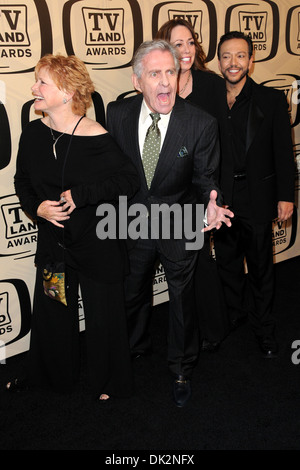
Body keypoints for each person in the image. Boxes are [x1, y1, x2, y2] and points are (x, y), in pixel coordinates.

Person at [106, 40, 233, 407]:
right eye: (155, 74)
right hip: (132, 222)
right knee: (131, 294)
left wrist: (213, 203)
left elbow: (207, 179)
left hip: (180, 221)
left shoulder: (200, 123)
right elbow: (112, 171)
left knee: (181, 301)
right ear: (137, 81)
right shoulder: (117, 115)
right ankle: (132, 348)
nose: (165, 83)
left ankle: (181, 367)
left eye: (171, 73)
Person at [7, 54, 140, 400]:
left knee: (103, 319)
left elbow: (128, 180)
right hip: (55, 248)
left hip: (97, 247)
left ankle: (108, 383)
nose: (33, 88)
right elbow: (23, 182)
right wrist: (37, 207)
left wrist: (82, 195)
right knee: (54, 313)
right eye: (36, 80)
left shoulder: (96, 136)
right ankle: (52, 377)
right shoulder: (34, 134)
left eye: (41, 82)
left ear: (66, 92)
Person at [213, 31, 295, 357]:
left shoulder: (271, 101)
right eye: (226, 56)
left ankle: (265, 328)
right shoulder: (210, 101)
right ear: (218, 61)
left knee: (261, 268)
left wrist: (286, 196)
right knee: (228, 265)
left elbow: (284, 154)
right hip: (222, 198)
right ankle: (234, 316)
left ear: (251, 59)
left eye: (240, 55)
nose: (233, 63)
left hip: (257, 196)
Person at [155, 18, 230, 352]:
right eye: (177, 43)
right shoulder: (158, 85)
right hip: (170, 192)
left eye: (190, 42)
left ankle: (211, 329)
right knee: (185, 263)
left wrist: (215, 194)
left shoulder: (211, 86)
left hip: (202, 188)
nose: (185, 50)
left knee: (200, 258)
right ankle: (191, 330)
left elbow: (223, 143)